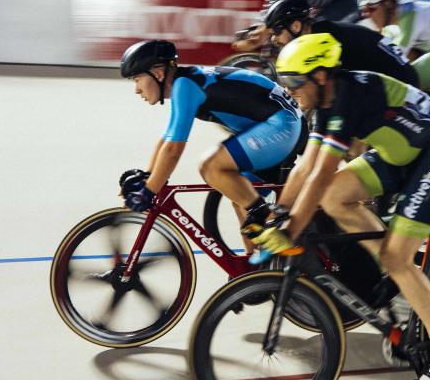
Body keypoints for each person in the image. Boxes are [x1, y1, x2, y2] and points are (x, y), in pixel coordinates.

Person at [250, 34, 430, 380]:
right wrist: (280, 212)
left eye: (293, 82)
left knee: (396, 256)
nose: (289, 91)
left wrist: (290, 230)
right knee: (337, 197)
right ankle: (396, 267)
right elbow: (306, 167)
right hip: (402, 154)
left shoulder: (348, 97)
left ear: (321, 76)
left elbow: (320, 174)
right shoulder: (326, 104)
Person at [117, 39, 303, 254]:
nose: (137, 90)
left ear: (158, 73)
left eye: (137, 79)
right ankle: (259, 275)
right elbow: (167, 139)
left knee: (211, 165)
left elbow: (174, 150)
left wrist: (149, 191)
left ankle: (270, 218)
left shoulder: (184, 87)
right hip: (281, 126)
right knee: (241, 196)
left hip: (281, 127)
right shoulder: (185, 82)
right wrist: (148, 176)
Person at [263, 0, 419, 87]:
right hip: (393, 77)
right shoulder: (320, 32)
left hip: (402, 83)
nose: (273, 39)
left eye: (277, 31)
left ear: (296, 26)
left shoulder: (323, 40)